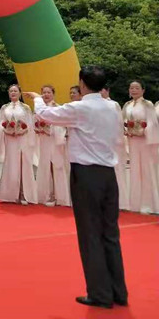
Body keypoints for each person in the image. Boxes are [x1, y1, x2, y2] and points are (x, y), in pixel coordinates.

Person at [26, 66, 128, 309]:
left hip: (87, 174)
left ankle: (100, 293)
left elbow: (46, 115)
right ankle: (118, 291)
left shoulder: (80, 108)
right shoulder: (112, 107)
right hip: (108, 173)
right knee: (110, 233)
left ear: (82, 83)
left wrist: (38, 98)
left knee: (90, 233)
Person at [0, 84, 38, 205]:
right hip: (10, 139)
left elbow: (30, 124)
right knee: (11, 164)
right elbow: (0, 123)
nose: (13, 93)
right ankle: (10, 194)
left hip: (22, 138)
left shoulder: (25, 107)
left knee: (23, 164)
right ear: (9, 94)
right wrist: (6, 129)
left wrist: (23, 130)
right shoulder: (4, 108)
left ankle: (24, 193)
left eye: (15, 91)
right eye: (11, 91)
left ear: (19, 93)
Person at [121, 80, 159, 214]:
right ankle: (135, 203)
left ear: (143, 90)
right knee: (135, 169)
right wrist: (126, 130)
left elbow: (152, 123)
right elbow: (123, 121)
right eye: (131, 88)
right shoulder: (127, 105)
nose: (133, 90)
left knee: (146, 170)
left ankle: (149, 204)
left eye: (137, 88)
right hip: (132, 140)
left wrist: (143, 131)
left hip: (145, 141)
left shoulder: (147, 104)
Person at [34, 85, 70, 207]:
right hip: (44, 141)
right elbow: (34, 124)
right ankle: (47, 193)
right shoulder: (39, 110)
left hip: (55, 141)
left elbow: (62, 125)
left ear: (53, 94)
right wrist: (39, 128)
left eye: (48, 92)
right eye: (44, 92)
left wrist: (51, 130)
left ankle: (59, 195)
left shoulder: (58, 108)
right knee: (46, 166)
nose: (46, 94)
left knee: (57, 166)